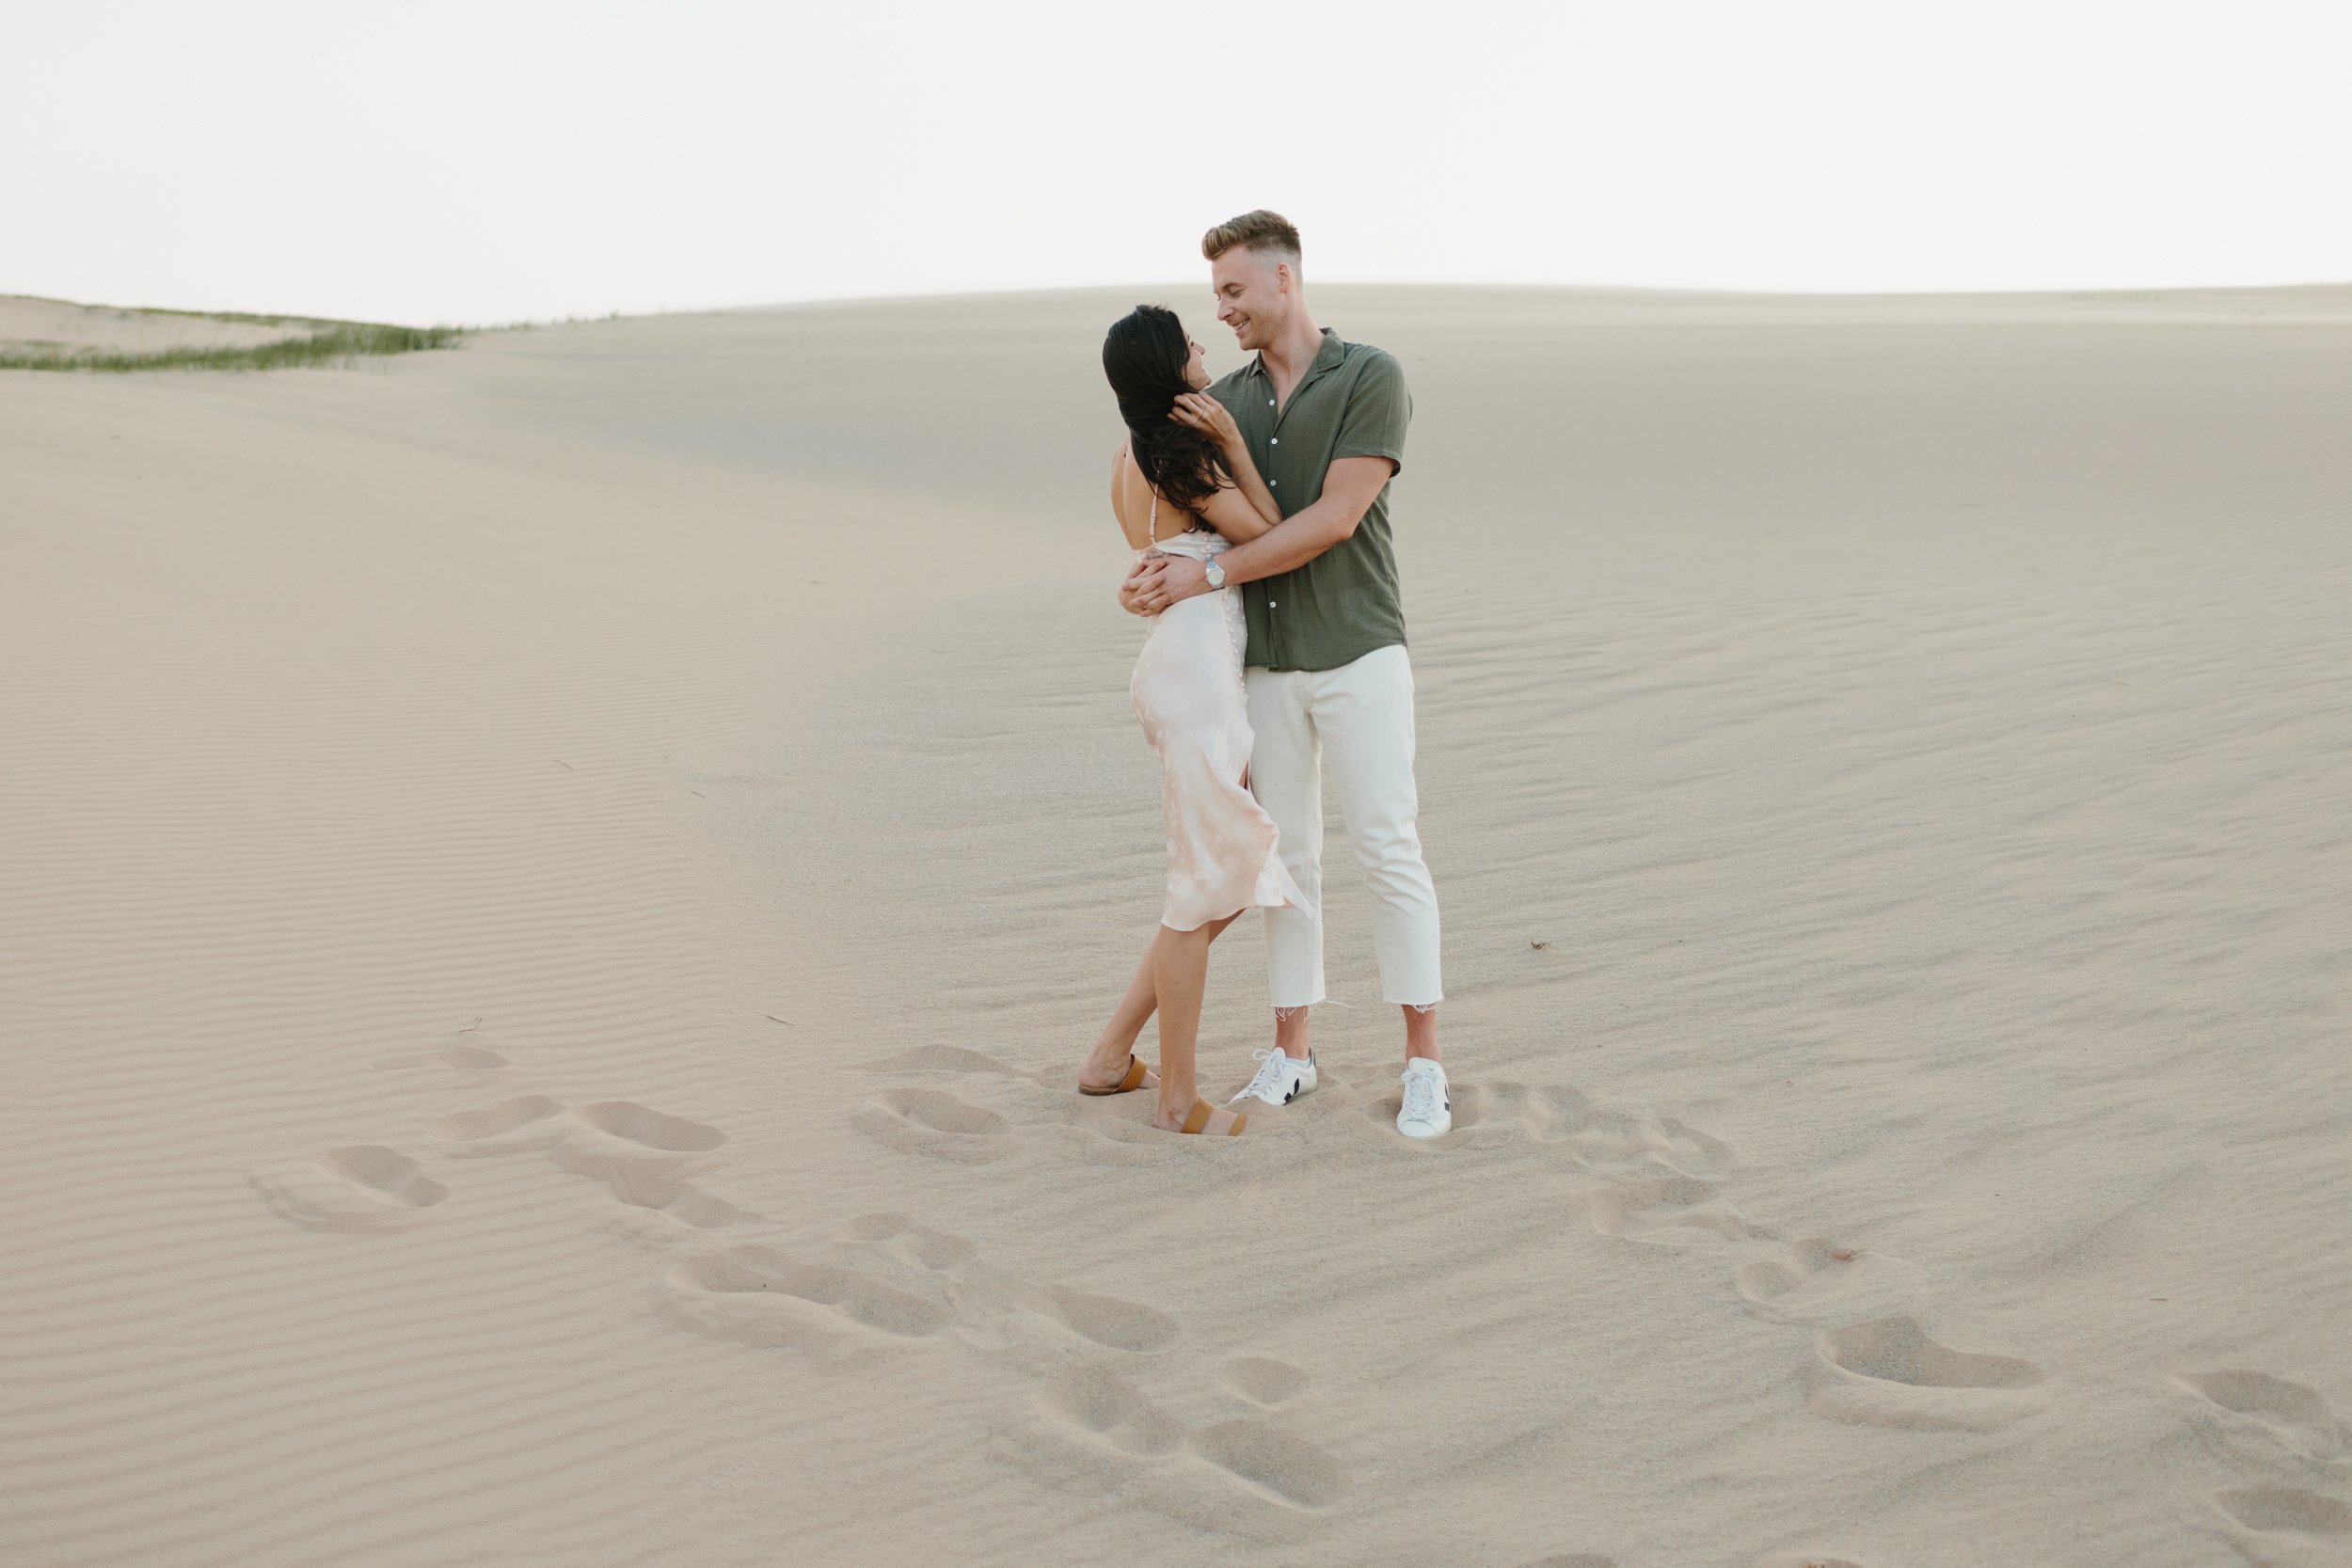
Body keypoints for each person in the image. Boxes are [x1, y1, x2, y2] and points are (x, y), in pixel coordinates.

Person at [1123, 210, 1452, 1138]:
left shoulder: (1369, 375)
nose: (1222, 309)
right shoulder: (1217, 398)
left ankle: (1423, 1060)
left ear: (1282, 281)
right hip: (1262, 664)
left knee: (1388, 842)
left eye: (1234, 290)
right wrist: (1150, 575)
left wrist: (1211, 571)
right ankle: (1291, 1052)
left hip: (1359, 645)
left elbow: (1336, 517)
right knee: (1290, 860)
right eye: (1214, 294)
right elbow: (1185, 512)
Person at [1074, 304, 1310, 1136]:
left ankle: (1110, 1054)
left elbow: (1156, 556)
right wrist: (1238, 451)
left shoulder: (1125, 458)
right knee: (1200, 889)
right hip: (1199, 673)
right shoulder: (1182, 454)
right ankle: (1176, 1099)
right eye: (1190, 344)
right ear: (1167, 369)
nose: (1205, 349)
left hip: (1176, 668)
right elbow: (1276, 536)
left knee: (1223, 876)